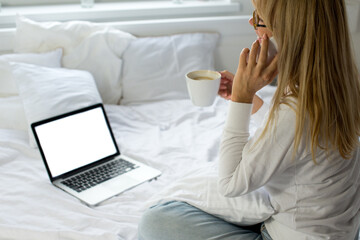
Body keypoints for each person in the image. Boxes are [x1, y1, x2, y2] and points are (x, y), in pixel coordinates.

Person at [138, 0, 360, 239]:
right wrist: (247, 98)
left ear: (286, 33)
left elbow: (230, 183)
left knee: (156, 222)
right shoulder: (340, 87)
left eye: (258, 18)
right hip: (334, 230)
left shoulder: (295, 110)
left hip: (288, 234)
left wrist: (241, 100)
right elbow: (294, 138)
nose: (250, 23)